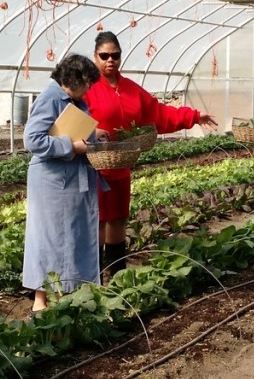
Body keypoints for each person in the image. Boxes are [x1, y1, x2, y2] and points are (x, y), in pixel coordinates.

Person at [84, 31, 218, 277]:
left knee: (118, 221)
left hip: (121, 168)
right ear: (95, 57)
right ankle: (94, 280)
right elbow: (73, 120)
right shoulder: (88, 89)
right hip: (95, 168)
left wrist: (193, 116)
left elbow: (158, 113)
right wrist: (89, 133)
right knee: (98, 224)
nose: (110, 60)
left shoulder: (130, 89)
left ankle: (118, 277)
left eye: (115, 55)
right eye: (104, 56)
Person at [23, 53, 107, 313]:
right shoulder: (50, 98)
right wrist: (71, 147)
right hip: (51, 182)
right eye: (88, 84)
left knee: (72, 236)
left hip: (69, 180)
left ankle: (73, 290)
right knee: (47, 238)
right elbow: (33, 140)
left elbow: (74, 130)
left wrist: (94, 137)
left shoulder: (73, 99)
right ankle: (40, 298)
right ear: (74, 79)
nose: (89, 90)